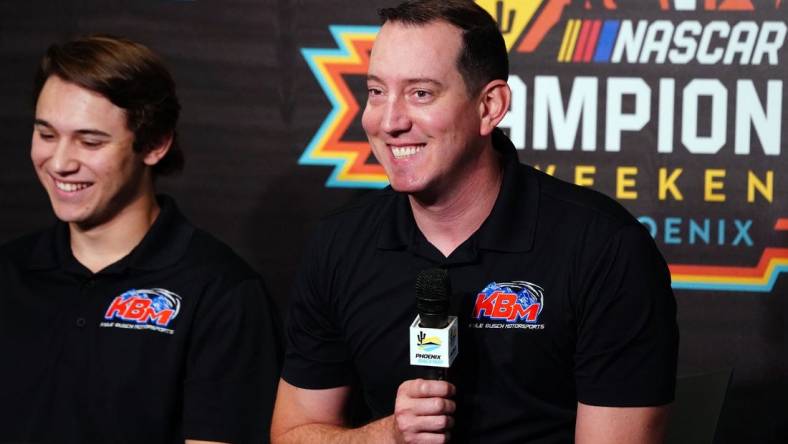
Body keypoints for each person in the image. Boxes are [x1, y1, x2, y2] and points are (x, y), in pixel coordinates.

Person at [271, 1, 678, 443]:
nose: (389, 121)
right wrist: (384, 436)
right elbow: (292, 432)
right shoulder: (340, 244)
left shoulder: (605, 249)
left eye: (420, 93)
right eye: (376, 92)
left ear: (490, 106)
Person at [0, 35, 280, 444]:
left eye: (90, 141)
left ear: (154, 144)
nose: (60, 162)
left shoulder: (222, 293)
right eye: (46, 134)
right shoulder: (8, 272)